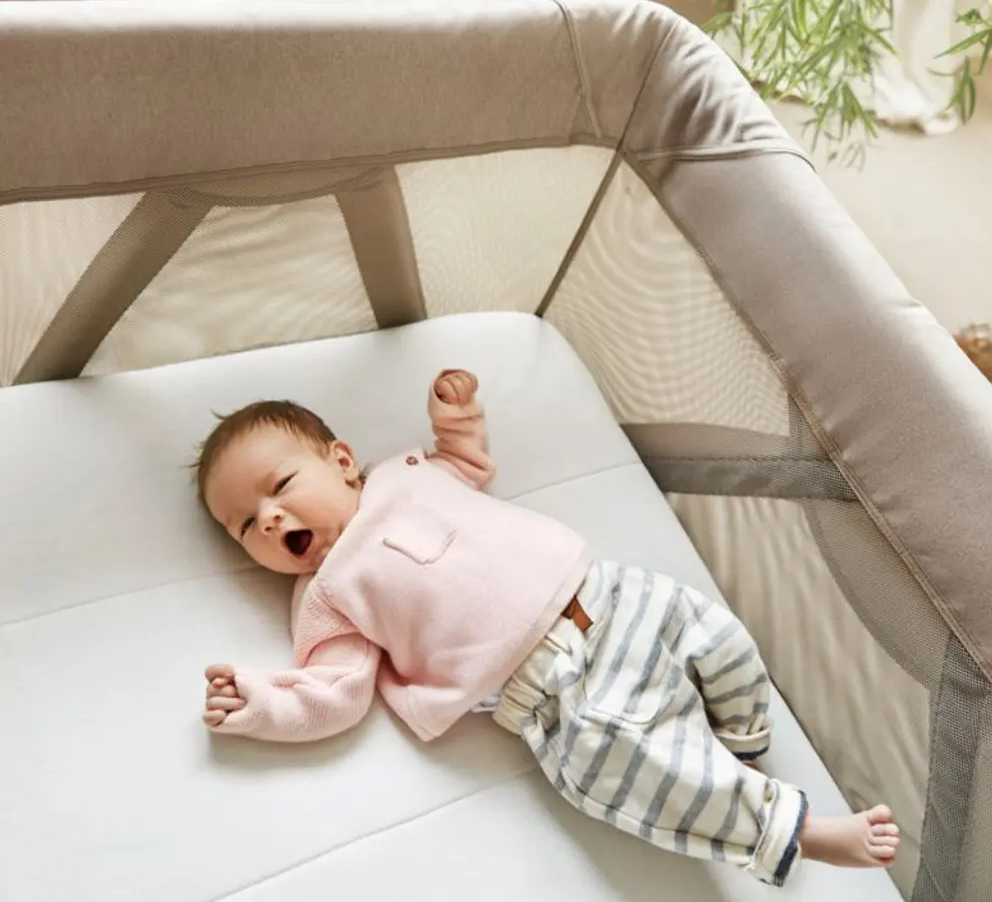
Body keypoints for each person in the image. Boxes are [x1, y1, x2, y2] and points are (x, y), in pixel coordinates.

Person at [196, 369, 900, 886]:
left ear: (343, 462)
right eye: (245, 526)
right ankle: (796, 831)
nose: (270, 519)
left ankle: (742, 746)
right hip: (556, 696)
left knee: (722, 639)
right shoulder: (325, 596)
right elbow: (337, 689)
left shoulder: (405, 475)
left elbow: (466, 464)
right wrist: (263, 704)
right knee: (632, 775)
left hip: (617, 596)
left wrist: (456, 417)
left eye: (280, 487)